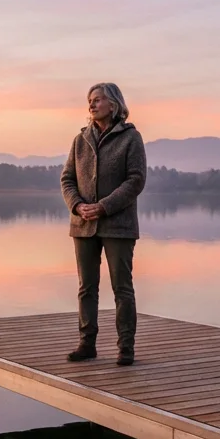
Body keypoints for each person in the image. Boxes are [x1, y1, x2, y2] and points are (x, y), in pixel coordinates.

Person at [60, 82, 147, 366]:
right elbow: (67, 179)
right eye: (90, 100)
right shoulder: (80, 139)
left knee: (122, 287)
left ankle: (126, 348)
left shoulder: (131, 138)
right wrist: (77, 205)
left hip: (118, 225)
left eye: (97, 100)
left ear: (113, 103)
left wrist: (105, 206)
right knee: (87, 287)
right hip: (83, 225)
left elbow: (136, 180)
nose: (92, 105)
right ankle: (87, 344)